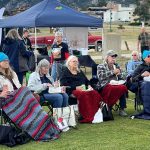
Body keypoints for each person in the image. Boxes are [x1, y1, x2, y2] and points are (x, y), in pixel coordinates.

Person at [0, 52, 60, 141]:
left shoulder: (12, 73)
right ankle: (36, 125)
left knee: (26, 91)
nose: (6, 62)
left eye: (7, 60)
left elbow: (19, 87)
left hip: (17, 97)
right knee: (26, 90)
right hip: (7, 100)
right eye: (3, 60)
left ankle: (44, 121)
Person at [97, 50, 128, 117]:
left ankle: (122, 109)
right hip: (105, 85)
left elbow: (124, 76)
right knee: (111, 87)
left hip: (116, 84)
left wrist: (121, 74)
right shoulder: (101, 66)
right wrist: (112, 72)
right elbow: (100, 76)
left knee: (122, 87)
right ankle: (108, 106)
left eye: (114, 57)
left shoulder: (116, 66)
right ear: (107, 57)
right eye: (112, 57)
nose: (113, 58)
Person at [131, 50, 150, 120]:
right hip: (143, 85)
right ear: (144, 58)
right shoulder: (140, 67)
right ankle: (148, 111)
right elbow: (133, 78)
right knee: (146, 84)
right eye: (149, 56)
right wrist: (142, 75)